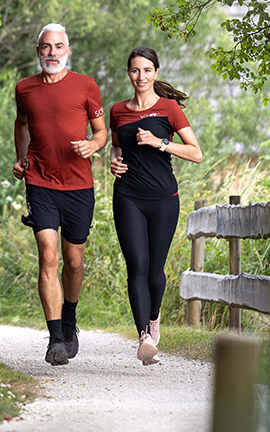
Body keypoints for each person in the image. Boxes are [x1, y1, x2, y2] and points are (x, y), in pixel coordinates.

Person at [13, 23, 107, 366]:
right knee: (48, 256)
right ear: (38, 51)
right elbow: (21, 123)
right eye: (46, 47)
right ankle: (55, 339)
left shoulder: (85, 85)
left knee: (74, 261)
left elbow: (101, 132)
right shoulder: (25, 89)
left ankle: (70, 318)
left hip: (79, 185)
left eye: (58, 47)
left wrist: (93, 145)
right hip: (40, 181)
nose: (52, 52)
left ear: (67, 51)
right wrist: (21, 158)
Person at [109, 46, 202, 365]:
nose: (141, 76)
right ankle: (144, 338)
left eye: (147, 70)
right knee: (136, 265)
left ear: (156, 73)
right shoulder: (118, 110)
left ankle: (153, 317)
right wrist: (114, 162)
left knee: (154, 270)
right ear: (129, 73)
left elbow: (196, 152)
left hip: (164, 199)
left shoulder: (169, 109)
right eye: (135, 70)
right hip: (128, 196)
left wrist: (161, 143)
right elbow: (116, 145)